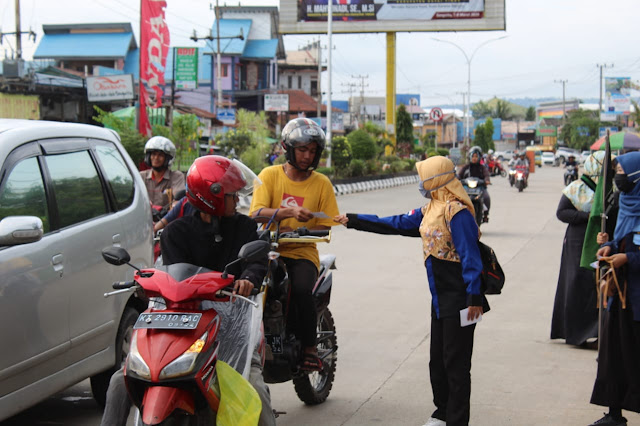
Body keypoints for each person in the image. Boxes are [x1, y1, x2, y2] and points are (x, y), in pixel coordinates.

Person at [101, 155, 276, 426]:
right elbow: (174, 276)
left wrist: (249, 279)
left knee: (256, 391)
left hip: (233, 326)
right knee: (118, 381)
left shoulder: (245, 228)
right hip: (181, 323)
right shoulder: (176, 233)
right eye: (232, 196)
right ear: (213, 198)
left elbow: (256, 262)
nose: (237, 201)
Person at [334, 155, 489, 426]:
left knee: (456, 367)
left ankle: (456, 420)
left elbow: (471, 258)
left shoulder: (458, 213)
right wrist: (354, 220)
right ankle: (442, 413)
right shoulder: (430, 209)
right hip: (440, 300)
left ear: (437, 179)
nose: (421, 182)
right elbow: (394, 223)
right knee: (437, 364)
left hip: (461, 300)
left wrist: (474, 298)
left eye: (424, 177)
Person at [249, 117, 340, 371]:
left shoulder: (322, 184)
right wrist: (286, 213)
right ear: (288, 148)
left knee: (301, 290)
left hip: (302, 252)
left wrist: (304, 228)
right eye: (302, 149)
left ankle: (310, 349)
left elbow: (326, 225)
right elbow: (255, 213)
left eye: (312, 151)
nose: (306, 156)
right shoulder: (268, 175)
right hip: (269, 251)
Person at [588, 151, 640, 426]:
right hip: (618, 297)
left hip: (638, 298)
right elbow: (620, 240)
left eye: (621, 172)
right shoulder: (625, 204)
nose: (618, 177)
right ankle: (614, 413)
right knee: (613, 355)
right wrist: (607, 247)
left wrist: (629, 258)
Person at [550, 151, 604, 347]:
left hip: (601, 241)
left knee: (598, 285)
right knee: (577, 282)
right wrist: (587, 216)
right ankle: (575, 333)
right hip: (578, 242)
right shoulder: (576, 189)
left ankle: (596, 332)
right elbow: (561, 213)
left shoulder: (608, 189)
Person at [140, 136, 185, 209]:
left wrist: (173, 206)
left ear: (167, 158)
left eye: (160, 155)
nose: (156, 158)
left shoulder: (176, 176)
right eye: (153, 154)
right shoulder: (142, 176)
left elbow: (178, 199)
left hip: (167, 218)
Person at [457, 146, 491, 223]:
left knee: (486, 197)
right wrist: (457, 179)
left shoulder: (482, 168)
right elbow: (459, 175)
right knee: (457, 199)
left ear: (479, 157)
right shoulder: (466, 167)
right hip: (466, 189)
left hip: (480, 188)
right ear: (470, 157)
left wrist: (487, 180)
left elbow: (486, 175)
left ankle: (485, 214)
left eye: (476, 156)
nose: (474, 158)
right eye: (473, 156)